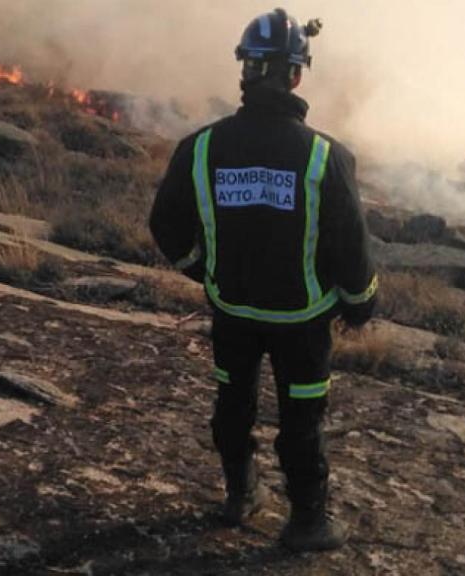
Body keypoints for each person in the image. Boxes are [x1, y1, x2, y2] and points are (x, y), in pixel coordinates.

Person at [149, 8, 378, 552]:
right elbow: (350, 246)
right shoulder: (325, 156)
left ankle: (238, 496)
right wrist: (360, 304)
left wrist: (200, 272)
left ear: (245, 71)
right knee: (302, 417)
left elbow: (165, 225)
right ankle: (307, 523)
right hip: (302, 324)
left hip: (233, 314)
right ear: (297, 75)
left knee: (233, 402)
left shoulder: (201, 147)